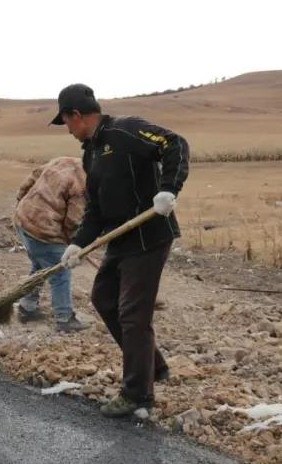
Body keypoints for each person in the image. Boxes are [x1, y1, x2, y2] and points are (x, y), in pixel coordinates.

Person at [51, 84, 189, 418]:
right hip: (120, 238)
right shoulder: (92, 152)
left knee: (133, 313)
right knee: (103, 298)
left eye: (66, 122)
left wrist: (169, 190)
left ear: (77, 115)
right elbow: (95, 208)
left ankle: (137, 393)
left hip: (149, 236)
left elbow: (176, 144)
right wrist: (78, 244)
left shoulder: (125, 130)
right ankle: (152, 365)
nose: (67, 129)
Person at [12, 156, 88, 333]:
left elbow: (31, 179)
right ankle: (64, 318)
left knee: (40, 264)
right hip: (44, 232)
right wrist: (73, 243)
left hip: (22, 220)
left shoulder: (63, 161)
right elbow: (74, 222)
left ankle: (27, 307)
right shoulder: (83, 186)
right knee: (60, 272)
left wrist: (21, 200)